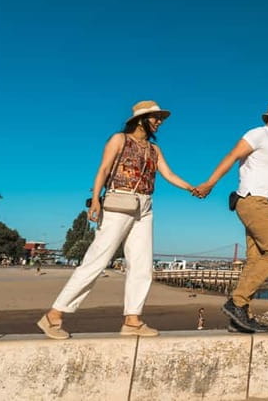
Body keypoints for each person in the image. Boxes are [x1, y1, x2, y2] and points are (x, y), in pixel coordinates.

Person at [37, 100, 195, 340]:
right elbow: (103, 169)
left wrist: (192, 188)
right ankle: (54, 315)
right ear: (141, 119)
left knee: (142, 266)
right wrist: (96, 201)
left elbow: (169, 174)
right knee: (96, 260)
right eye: (155, 117)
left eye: (160, 118)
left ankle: (133, 320)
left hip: (145, 206)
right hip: (118, 201)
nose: (159, 122)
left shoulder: (154, 150)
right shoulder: (118, 140)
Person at [194, 101, 268, 333]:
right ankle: (237, 302)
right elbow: (232, 155)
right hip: (253, 201)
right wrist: (210, 183)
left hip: (265, 203)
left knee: (257, 257)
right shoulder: (259, 134)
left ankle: (239, 320)